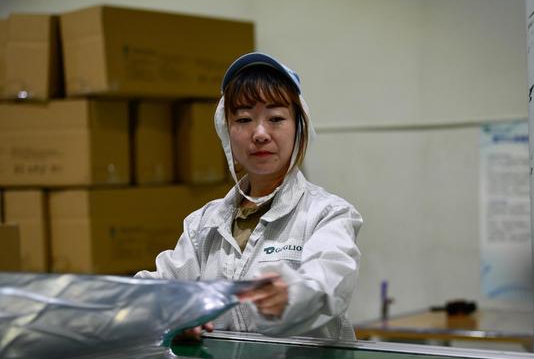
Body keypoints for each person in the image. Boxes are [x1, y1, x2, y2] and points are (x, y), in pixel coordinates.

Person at [135, 52, 363, 341]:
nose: (260, 133)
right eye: (243, 119)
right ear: (226, 131)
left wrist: (290, 295)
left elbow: (329, 282)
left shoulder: (327, 214)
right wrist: (170, 311)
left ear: (299, 128)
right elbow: (160, 288)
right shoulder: (202, 226)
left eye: (276, 118)